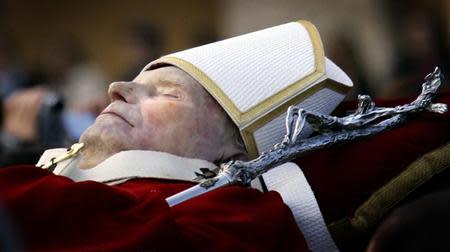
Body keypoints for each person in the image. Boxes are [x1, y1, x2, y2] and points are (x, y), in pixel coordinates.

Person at [0, 20, 449, 251]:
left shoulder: (202, 222)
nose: (117, 87)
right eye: (134, 82)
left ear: (228, 152)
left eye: (167, 94)